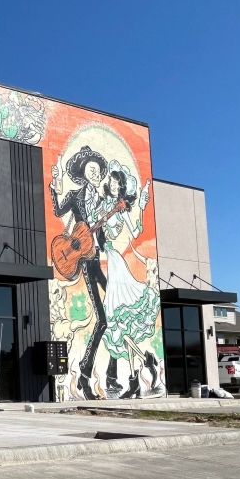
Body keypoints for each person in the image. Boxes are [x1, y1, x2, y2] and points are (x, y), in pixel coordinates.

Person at [50, 146, 109, 399]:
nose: (95, 174)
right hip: (84, 262)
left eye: (97, 170)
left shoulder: (105, 199)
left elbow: (105, 235)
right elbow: (57, 212)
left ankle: (104, 371)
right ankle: (84, 375)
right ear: (83, 174)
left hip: (99, 258)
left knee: (116, 309)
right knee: (103, 319)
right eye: (90, 170)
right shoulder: (75, 196)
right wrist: (53, 186)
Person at [97, 162, 156, 396]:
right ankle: (137, 374)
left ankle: (143, 363)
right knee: (119, 326)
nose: (112, 185)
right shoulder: (102, 206)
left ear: (121, 186)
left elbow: (134, 232)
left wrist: (140, 206)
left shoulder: (120, 209)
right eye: (110, 181)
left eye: (116, 182)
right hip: (110, 262)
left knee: (116, 322)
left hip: (117, 263)